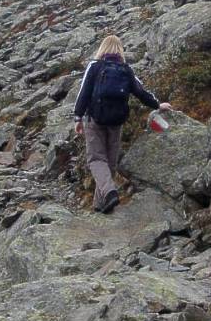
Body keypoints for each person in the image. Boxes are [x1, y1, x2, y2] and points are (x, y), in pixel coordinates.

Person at [73, 35, 171, 213]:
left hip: (95, 119)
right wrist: (157, 105)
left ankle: (109, 193)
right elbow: (141, 92)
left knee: (96, 159)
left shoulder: (95, 66)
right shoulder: (126, 70)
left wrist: (78, 117)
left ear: (102, 49)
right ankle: (100, 206)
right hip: (116, 121)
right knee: (110, 163)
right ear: (120, 50)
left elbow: (84, 92)